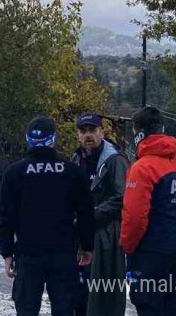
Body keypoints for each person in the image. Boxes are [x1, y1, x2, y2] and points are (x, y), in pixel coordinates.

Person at [0, 115, 95, 316]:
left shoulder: (14, 172)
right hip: (63, 255)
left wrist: (7, 253)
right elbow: (86, 212)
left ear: (28, 139)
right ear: (53, 139)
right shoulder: (71, 171)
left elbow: (5, 216)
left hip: (28, 254)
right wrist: (87, 246)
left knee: (26, 309)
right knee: (64, 309)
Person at [120, 106, 176, 316]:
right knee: (173, 305)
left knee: (149, 306)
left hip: (150, 253)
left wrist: (127, 247)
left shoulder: (142, 168)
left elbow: (135, 218)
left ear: (138, 133)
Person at [71, 113, 128, 316]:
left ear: (101, 132)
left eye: (92, 130)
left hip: (106, 235)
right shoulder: (76, 158)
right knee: (79, 291)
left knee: (104, 292)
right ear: (78, 134)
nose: (88, 135)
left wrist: (90, 216)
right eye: (83, 131)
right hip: (80, 234)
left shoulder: (115, 159)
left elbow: (122, 197)